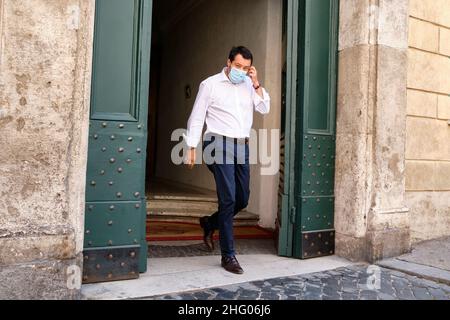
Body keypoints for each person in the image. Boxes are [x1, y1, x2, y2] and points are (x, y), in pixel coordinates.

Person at [184, 46, 270, 274]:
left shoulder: (248, 85)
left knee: (242, 199)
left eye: (245, 68)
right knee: (229, 198)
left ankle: (209, 223)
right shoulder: (210, 84)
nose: (240, 71)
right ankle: (228, 255)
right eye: (237, 66)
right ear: (229, 62)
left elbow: (264, 107)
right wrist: (191, 146)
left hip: (241, 145)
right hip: (217, 143)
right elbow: (197, 115)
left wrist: (256, 83)